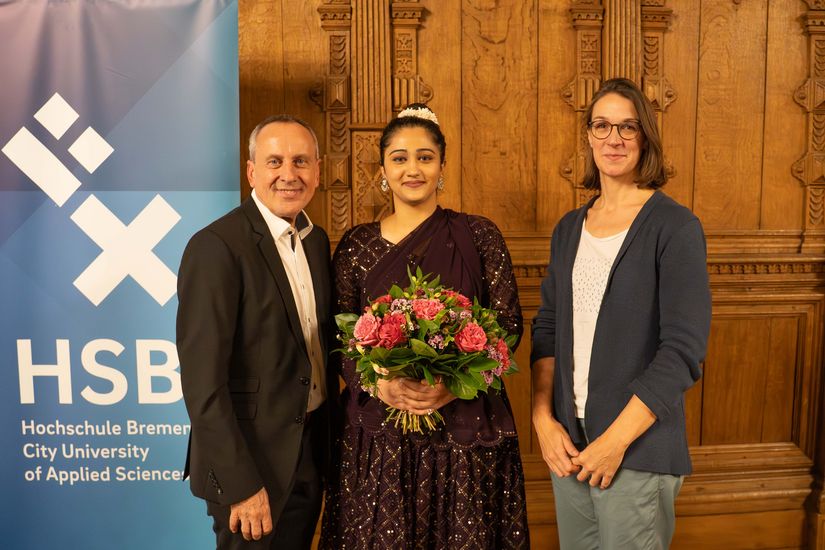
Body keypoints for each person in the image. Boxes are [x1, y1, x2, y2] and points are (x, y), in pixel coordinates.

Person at [319, 104, 529, 549]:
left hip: (465, 428)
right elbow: (338, 337)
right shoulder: (358, 244)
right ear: (383, 169)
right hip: (379, 437)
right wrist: (381, 385)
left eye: (424, 157)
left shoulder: (479, 235)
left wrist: (457, 383)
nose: (412, 168)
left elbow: (508, 325)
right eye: (399, 157)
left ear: (442, 167)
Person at [530, 77, 712, 549]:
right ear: (589, 135)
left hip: (636, 449)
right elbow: (548, 329)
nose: (614, 138)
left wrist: (615, 442)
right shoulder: (569, 228)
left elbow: (683, 352)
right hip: (570, 446)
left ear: (645, 136)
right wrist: (542, 419)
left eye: (628, 127)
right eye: (602, 125)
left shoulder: (675, 226)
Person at [177, 115, 337, 549]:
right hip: (249, 466)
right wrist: (241, 484)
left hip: (307, 452)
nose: (290, 174)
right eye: (275, 161)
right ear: (251, 172)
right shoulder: (217, 247)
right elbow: (202, 384)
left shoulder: (316, 242)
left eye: (301, 161)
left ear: (318, 171)